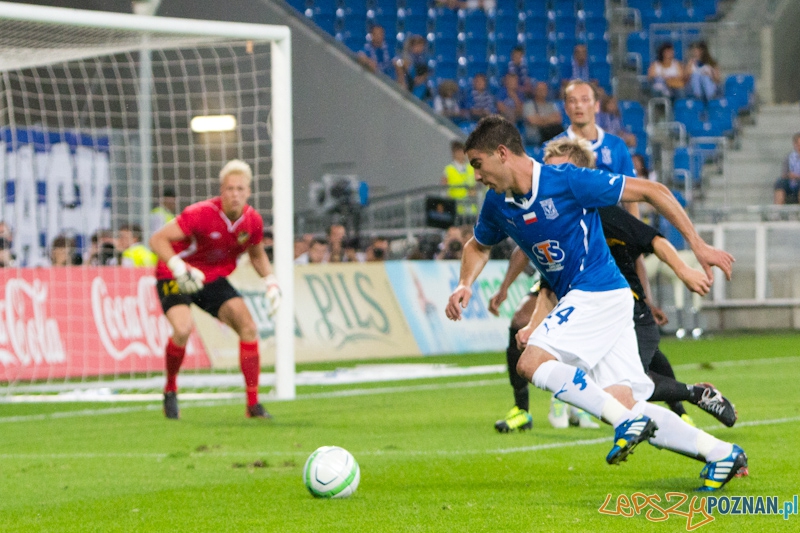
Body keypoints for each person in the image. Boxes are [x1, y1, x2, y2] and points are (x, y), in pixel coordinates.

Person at [447, 116, 746, 491]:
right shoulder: (497, 204)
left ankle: (626, 424)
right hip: (601, 300)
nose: (475, 174)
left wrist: (698, 246)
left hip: (597, 292)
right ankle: (721, 453)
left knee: (531, 362)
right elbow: (477, 245)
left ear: (502, 153)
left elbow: (654, 191)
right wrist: (464, 283)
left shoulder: (567, 181)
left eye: (477, 163)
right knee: (624, 401)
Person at [489, 138, 738, 435]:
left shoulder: (604, 212)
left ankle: (691, 400)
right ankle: (693, 407)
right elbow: (548, 284)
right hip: (590, 310)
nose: (552, 179)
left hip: (631, 310)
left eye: (562, 170)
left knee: (628, 385)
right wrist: (533, 324)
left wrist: (684, 269)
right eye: (549, 170)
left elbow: (653, 240)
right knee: (617, 389)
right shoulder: (552, 223)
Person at [149, 159, 281, 420]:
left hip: (211, 279)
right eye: (230, 188)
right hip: (176, 274)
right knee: (183, 329)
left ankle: (252, 405)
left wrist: (271, 281)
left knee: (248, 327)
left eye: (240, 189)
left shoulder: (252, 221)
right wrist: (177, 266)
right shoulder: (200, 213)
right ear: (222, 190)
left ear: (248, 192)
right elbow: (157, 239)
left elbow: (257, 255)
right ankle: (170, 390)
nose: (235, 194)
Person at [553, 80, 637, 215]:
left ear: (597, 106)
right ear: (566, 108)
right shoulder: (553, 149)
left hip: (612, 227)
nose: (579, 105)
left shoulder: (616, 146)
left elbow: (631, 197)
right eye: (573, 101)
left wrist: (636, 233)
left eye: (585, 100)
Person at [441, 140, 478, 216]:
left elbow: (475, 186)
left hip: (470, 209)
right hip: (455, 209)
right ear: (455, 153)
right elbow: (444, 190)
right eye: (460, 152)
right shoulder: (448, 170)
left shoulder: (471, 168)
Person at [522, 81, 565, 146]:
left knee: (560, 131)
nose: (542, 92)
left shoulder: (551, 105)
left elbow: (558, 119)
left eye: (544, 89)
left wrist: (541, 120)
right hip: (536, 136)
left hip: (550, 133)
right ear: (535, 91)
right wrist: (550, 119)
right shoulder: (529, 105)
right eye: (539, 89)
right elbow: (532, 120)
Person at [774, 132, 800, 205]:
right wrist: (789, 175)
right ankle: (777, 211)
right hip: (791, 181)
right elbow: (784, 174)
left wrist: (797, 176)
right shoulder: (789, 157)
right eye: (798, 145)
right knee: (779, 183)